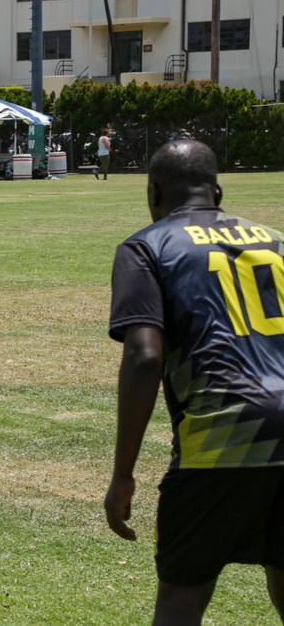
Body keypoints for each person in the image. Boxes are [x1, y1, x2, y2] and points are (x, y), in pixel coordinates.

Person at [104, 139, 284, 625]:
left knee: (183, 600)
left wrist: (123, 472)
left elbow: (144, 357)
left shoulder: (147, 246)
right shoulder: (277, 241)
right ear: (218, 191)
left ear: (154, 194)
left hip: (223, 438)